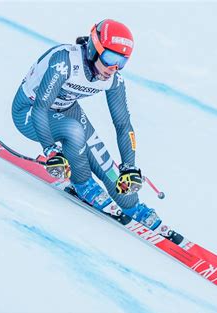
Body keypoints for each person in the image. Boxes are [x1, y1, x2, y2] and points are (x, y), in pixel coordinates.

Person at [12, 19, 182, 243]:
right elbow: (41, 108)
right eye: (110, 58)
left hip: (66, 110)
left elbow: (123, 125)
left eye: (122, 62)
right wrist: (51, 151)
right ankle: (83, 184)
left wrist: (129, 166)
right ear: (94, 48)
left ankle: (134, 206)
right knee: (74, 131)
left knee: (105, 163)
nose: (113, 68)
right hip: (30, 113)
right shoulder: (64, 61)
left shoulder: (113, 79)